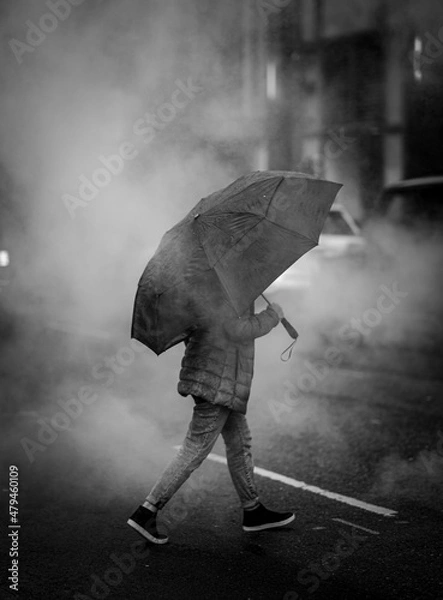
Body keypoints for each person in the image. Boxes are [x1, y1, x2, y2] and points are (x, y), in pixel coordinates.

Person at [127, 298, 295, 544]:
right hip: (217, 382)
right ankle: (147, 511)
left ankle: (253, 511)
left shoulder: (209, 286)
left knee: (240, 442)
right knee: (195, 448)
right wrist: (272, 315)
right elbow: (237, 329)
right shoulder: (222, 289)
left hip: (224, 381)